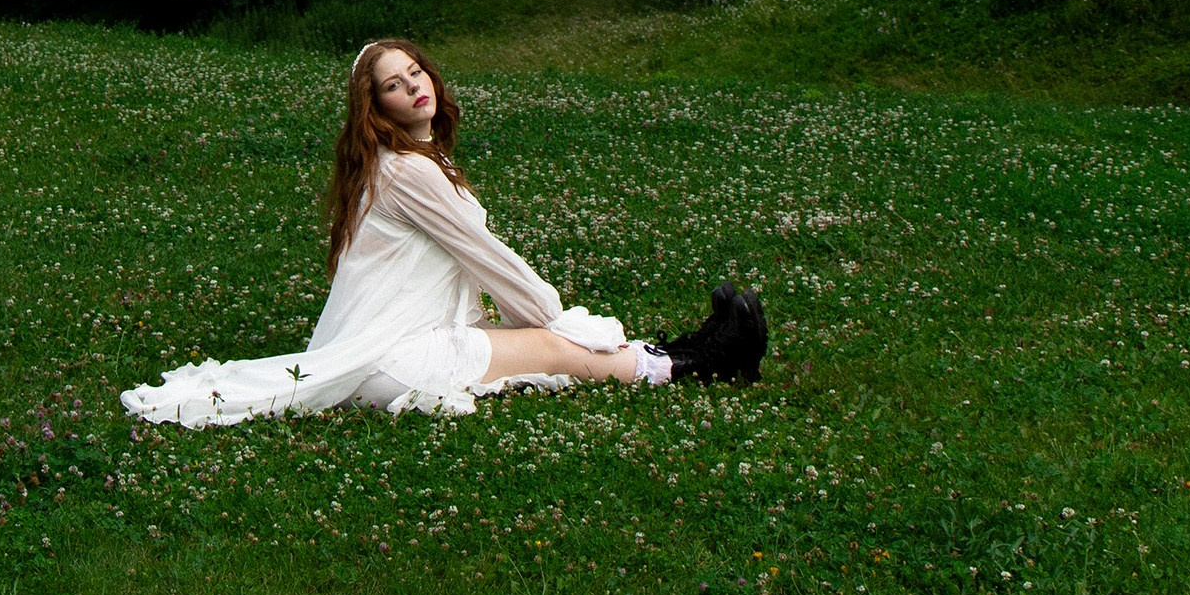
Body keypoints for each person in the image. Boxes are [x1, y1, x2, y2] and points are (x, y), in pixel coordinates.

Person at [122, 38, 758, 429]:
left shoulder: (400, 162)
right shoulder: (408, 173)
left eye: (415, 73)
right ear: (378, 107)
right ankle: (696, 363)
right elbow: (489, 258)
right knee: (551, 347)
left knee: (531, 339)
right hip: (395, 363)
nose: (413, 87)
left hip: (390, 351)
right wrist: (552, 319)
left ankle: (664, 353)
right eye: (392, 85)